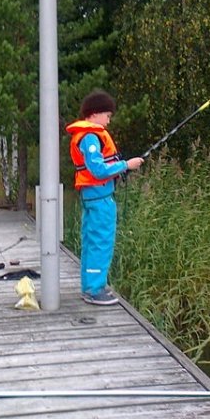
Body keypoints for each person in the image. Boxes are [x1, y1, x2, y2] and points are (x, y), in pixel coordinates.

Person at [65, 90, 143, 305]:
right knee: (100, 242)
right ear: (94, 114)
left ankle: (90, 286)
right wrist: (126, 165)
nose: (108, 121)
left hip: (93, 196)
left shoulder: (87, 135)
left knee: (91, 242)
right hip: (100, 198)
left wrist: (121, 167)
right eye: (107, 116)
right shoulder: (90, 137)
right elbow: (98, 170)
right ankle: (94, 289)